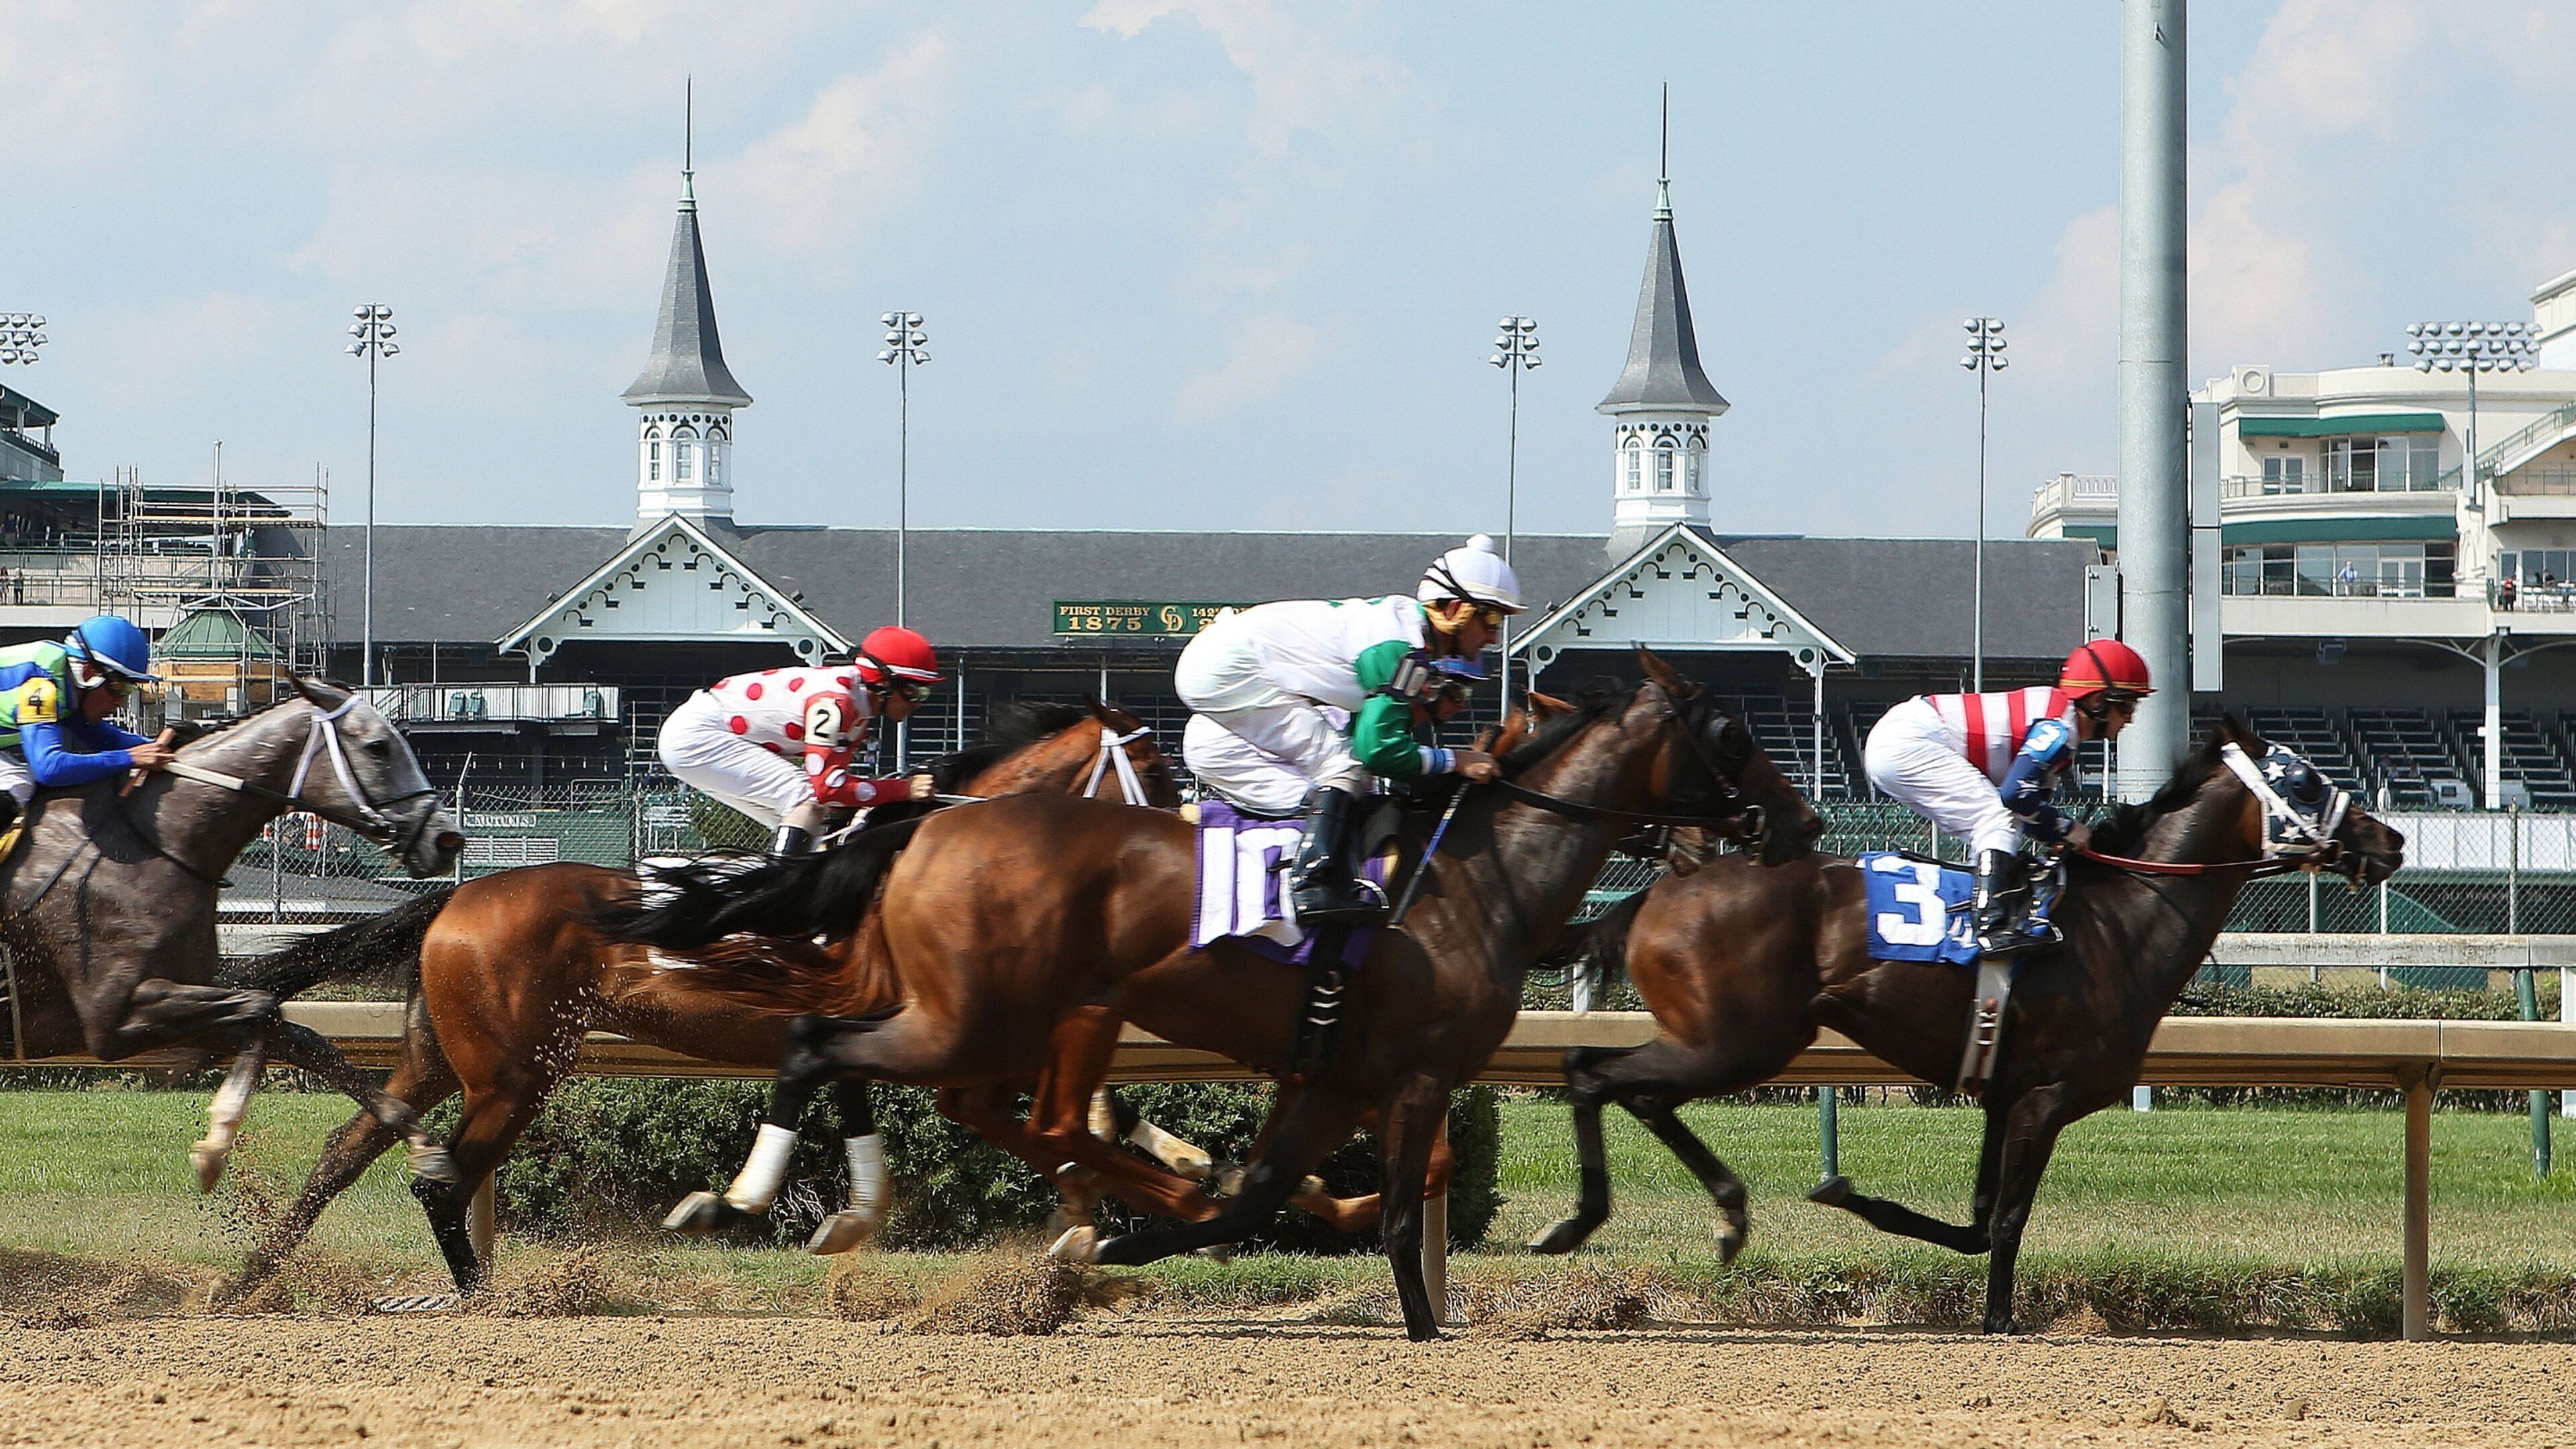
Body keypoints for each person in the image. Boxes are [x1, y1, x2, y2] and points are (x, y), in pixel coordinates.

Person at [1174, 534, 1523, 926]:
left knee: (1340, 776)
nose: (1494, 636)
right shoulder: (1400, 648)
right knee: (1343, 767)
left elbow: (1371, 739)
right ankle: (1311, 883)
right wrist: (1454, 760)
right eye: (1491, 619)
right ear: (1455, 609)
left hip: (1225, 670)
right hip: (1227, 672)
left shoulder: (1407, 636)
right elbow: (1377, 751)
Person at [1861, 639, 2152, 957]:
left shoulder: (2059, 724)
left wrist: (2060, 835)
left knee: (2002, 823)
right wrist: (2070, 829)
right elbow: (2015, 794)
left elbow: (2027, 813)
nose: (2130, 719)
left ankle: (1986, 913)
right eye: (2126, 707)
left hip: (1900, 740)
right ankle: (1990, 928)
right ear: (2097, 700)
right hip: (1908, 740)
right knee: (1996, 818)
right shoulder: (2061, 727)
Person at [656, 627, 943, 857]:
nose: (918, 703)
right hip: (697, 736)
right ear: (883, 683)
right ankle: (777, 894)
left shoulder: (858, 705)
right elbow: (829, 787)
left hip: (703, 733)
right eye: (914, 691)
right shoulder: (835, 703)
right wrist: (903, 788)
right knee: (807, 799)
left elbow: (837, 787)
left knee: (816, 822)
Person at [0, 614, 176, 835]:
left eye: (129, 691)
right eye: (119, 688)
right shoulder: (41, 688)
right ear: (89, 673)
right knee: (19, 782)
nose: (120, 702)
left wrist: (167, 748)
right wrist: (130, 758)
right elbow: (49, 768)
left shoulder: (66, 682)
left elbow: (105, 739)